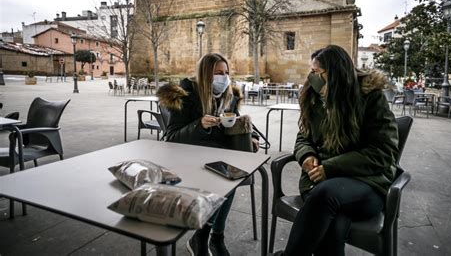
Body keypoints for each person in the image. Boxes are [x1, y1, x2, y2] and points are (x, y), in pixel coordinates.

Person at [276, 45, 399, 256]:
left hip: (367, 183)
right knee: (333, 223)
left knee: (325, 196)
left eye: (317, 72)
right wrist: (307, 155)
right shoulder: (314, 97)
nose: (312, 77)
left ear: (336, 74)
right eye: (311, 71)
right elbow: (303, 136)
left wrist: (330, 168)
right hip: (320, 182)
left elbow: (383, 151)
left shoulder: (370, 98)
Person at [157, 53, 259, 256]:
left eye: (226, 73)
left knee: (232, 174)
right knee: (226, 177)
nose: (224, 78)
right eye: (218, 73)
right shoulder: (184, 95)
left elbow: (236, 120)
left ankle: (213, 237)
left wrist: (252, 136)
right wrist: (199, 125)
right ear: (205, 75)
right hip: (190, 158)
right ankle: (204, 238)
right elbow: (171, 138)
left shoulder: (228, 95)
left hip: (220, 156)